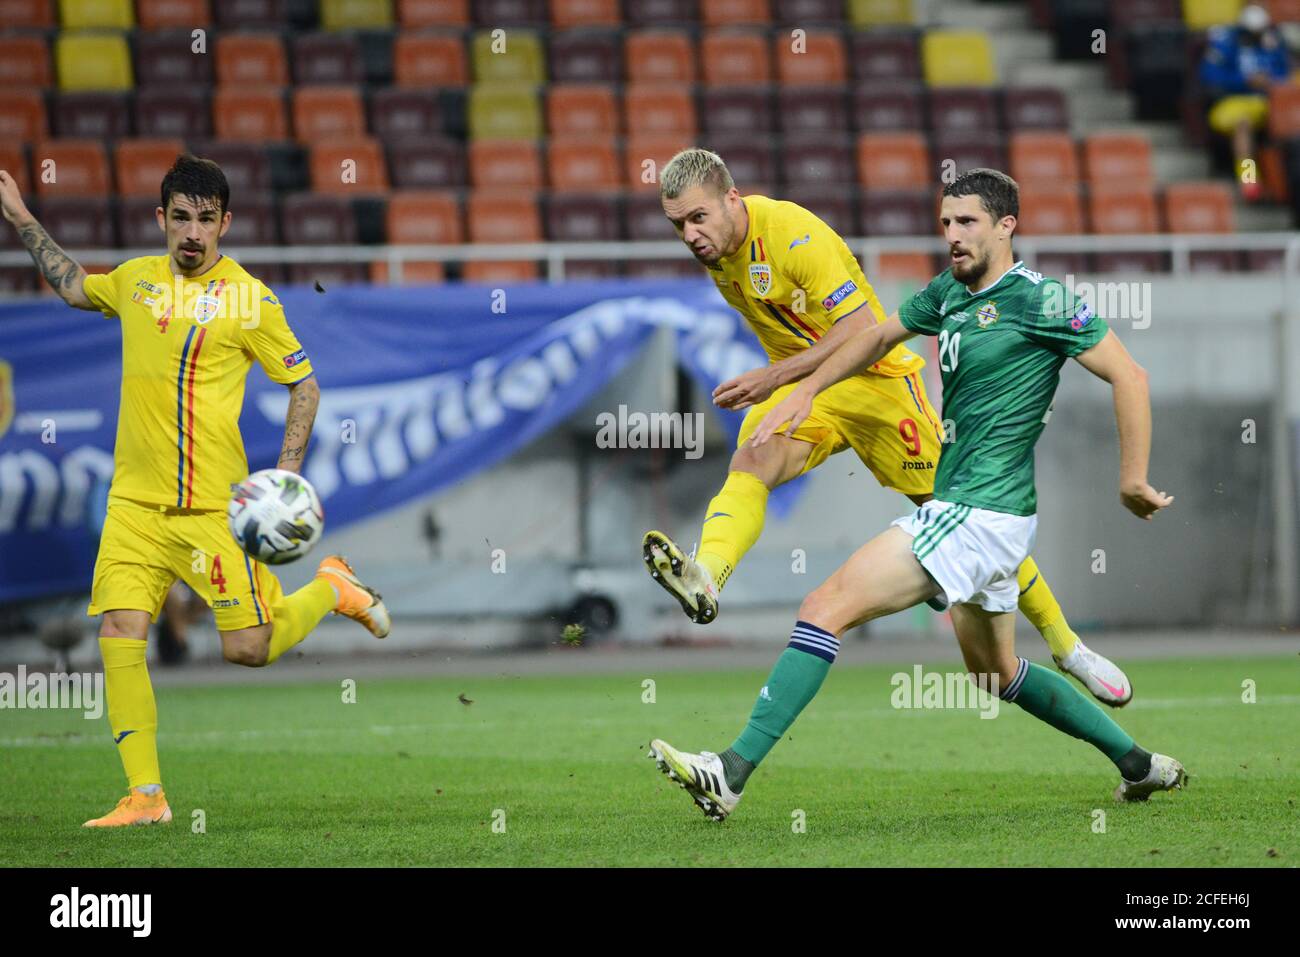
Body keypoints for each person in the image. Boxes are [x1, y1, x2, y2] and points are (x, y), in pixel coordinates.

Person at [649, 169, 1187, 821]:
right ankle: (1141, 764)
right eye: (945, 222)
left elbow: (1130, 373)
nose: (952, 235)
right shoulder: (947, 293)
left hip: (970, 504)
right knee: (995, 672)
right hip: (966, 501)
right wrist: (804, 389)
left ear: (1006, 226)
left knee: (824, 606)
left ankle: (729, 773)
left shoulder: (1044, 300)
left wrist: (1132, 477)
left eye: (967, 223)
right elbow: (876, 332)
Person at [0, 154, 390, 827]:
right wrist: (19, 214)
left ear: (225, 224)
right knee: (121, 630)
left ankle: (332, 586)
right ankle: (145, 797)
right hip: (132, 507)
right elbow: (71, 286)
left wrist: (286, 475)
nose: (191, 231)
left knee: (249, 648)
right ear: (161, 219)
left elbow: (305, 383)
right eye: (180, 216)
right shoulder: (134, 281)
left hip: (214, 511)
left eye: (205, 220)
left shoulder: (249, 298)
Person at [1199, 3, 1292, 202]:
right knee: (1243, 125)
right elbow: (1209, 75)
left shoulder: (1273, 41)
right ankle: (1249, 181)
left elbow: (1285, 72)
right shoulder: (1224, 41)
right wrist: (1244, 80)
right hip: (1232, 102)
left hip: (1268, 101)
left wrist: (1270, 80)